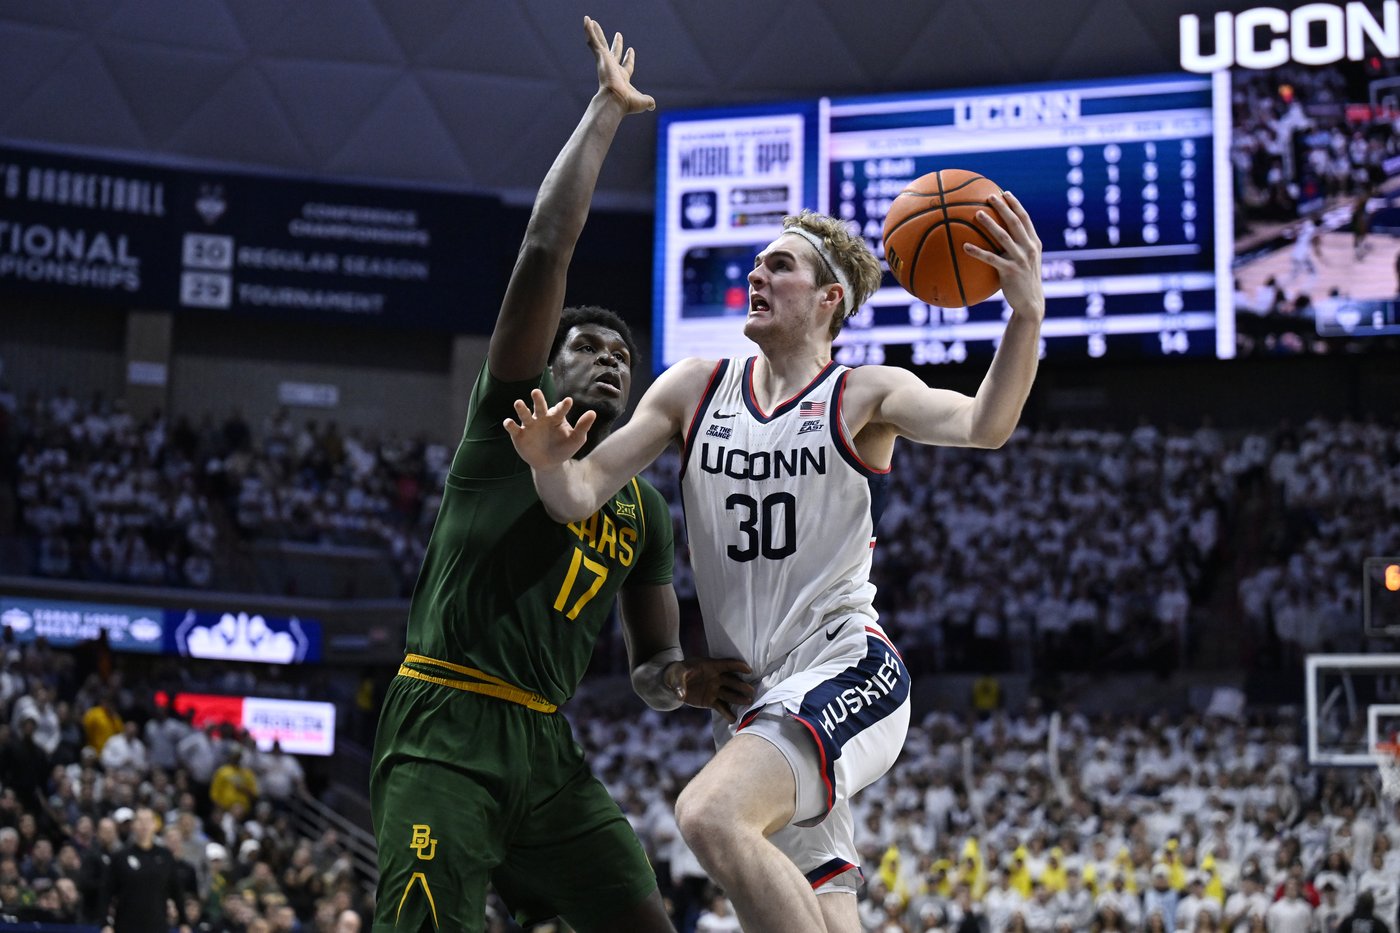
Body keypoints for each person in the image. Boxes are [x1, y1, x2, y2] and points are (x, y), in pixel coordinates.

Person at [508, 188, 1045, 930]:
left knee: (708, 813)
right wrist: (546, 462)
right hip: (756, 705)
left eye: (780, 266)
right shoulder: (693, 388)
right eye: (757, 263)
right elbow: (577, 494)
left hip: (847, 669)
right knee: (823, 912)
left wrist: (1024, 314)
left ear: (829, 298)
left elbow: (986, 424)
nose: (757, 274)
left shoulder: (864, 393)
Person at [369, 16, 751, 933]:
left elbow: (651, 671)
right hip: (444, 725)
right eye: (587, 343)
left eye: (624, 350)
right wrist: (607, 114)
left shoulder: (645, 510)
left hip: (546, 746)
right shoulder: (509, 421)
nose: (611, 357)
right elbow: (546, 245)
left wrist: (691, 683)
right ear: (549, 364)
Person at [101, 806, 183, 933]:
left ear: (155, 825)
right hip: (126, 926)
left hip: (157, 926)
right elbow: (106, 893)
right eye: (140, 821)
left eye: (148, 821)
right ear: (133, 825)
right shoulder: (121, 857)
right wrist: (105, 924)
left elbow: (177, 891)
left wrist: (184, 922)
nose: (144, 825)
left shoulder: (165, 856)